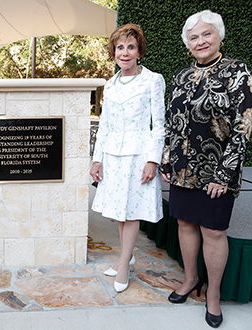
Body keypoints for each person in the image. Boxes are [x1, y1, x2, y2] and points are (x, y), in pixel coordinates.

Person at [160, 10, 252, 328]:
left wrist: (226, 173)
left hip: (218, 169)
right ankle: (189, 280)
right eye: (194, 37)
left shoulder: (237, 71)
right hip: (183, 165)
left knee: (213, 230)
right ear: (187, 43)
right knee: (185, 222)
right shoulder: (181, 75)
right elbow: (172, 122)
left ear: (219, 36)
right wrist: (167, 158)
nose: (200, 41)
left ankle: (212, 294)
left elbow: (245, 124)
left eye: (206, 34)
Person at [90, 24, 165, 293]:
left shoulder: (153, 80)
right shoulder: (109, 86)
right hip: (113, 154)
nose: (125, 52)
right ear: (114, 52)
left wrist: (153, 160)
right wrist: (97, 159)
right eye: (120, 47)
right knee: (120, 212)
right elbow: (105, 124)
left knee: (131, 211)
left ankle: (123, 263)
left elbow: (159, 124)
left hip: (138, 155)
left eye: (130, 47)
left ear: (139, 51)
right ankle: (128, 256)